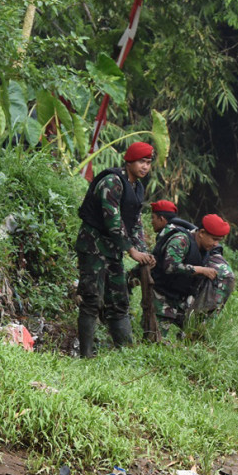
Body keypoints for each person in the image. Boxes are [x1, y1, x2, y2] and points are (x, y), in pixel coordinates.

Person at [75, 142, 155, 357]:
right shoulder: (113, 181)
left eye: (148, 163)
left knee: (119, 301)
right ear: (129, 161)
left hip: (112, 251)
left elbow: (135, 222)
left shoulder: (137, 187)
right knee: (91, 299)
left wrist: (143, 251)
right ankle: (86, 356)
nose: (145, 167)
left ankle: (126, 355)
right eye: (141, 162)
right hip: (93, 246)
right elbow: (113, 220)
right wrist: (132, 251)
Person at [148, 206, 234, 334]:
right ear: (202, 233)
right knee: (153, 338)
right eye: (214, 239)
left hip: (179, 298)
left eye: (219, 240)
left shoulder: (205, 249)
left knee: (191, 333)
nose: (216, 244)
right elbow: (170, 266)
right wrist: (200, 270)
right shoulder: (181, 240)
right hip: (161, 295)